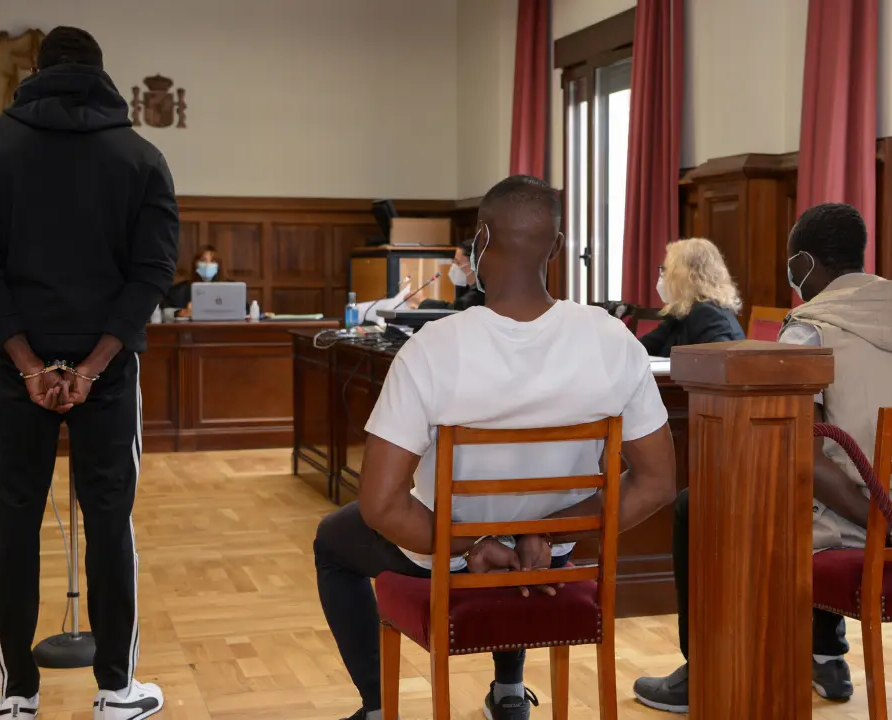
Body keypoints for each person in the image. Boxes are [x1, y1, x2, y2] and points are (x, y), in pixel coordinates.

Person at [314, 175, 677, 720]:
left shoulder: (433, 348)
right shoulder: (613, 341)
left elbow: (381, 504)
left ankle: (376, 707)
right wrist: (546, 532)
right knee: (521, 515)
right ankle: (509, 691)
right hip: (548, 555)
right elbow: (657, 482)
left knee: (332, 541)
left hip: (446, 551)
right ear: (556, 247)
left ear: (481, 240)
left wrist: (472, 545)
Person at [631, 203, 892, 712]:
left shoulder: (809, 330)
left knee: (702, 503)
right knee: (806, 489)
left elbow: (808, 457)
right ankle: (826, 655)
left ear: (802, 263)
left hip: (860, 526)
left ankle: (704, 671)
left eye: (791, 263)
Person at [0, 26, 179, 720]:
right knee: (111, 524)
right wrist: (93, 367)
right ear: (102, 75)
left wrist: (27, 364)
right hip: (108, 372)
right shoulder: (141, 157)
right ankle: (116, 691)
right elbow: (152, 272)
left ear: (35, 73)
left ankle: (17, 695)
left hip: (17, 370)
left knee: (13, 524)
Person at [637, 237, 744, 356]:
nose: (663, 276)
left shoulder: (707, 314)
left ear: (685, 276)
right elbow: (640, 348)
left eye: (665, 270)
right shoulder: (682, 313)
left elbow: (718, 363)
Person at [416, 237, 486, 310]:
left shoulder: (476, 298)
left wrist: (422, 301)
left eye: (458, 262)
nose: (454, 266)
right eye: (454, 261)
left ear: (474, 265)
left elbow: (453, 309)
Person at [165, 244, 221, 316]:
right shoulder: (179, 291)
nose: (207, 264)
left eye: (212, 261)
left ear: (219, 266)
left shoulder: (230, 290)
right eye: (203, 260)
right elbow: (165, 312)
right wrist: (182, 312)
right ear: (195, 264)